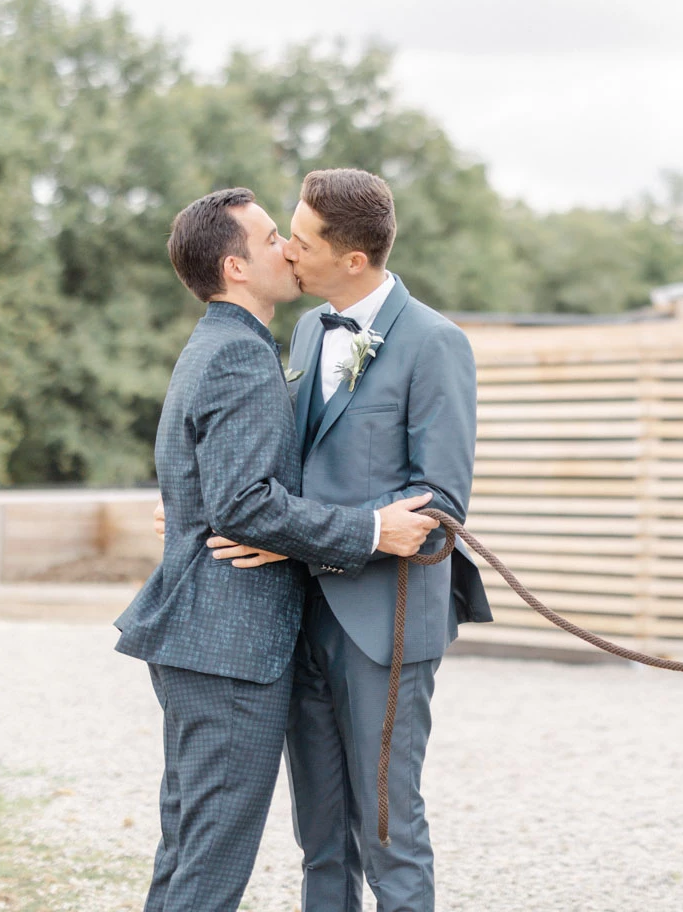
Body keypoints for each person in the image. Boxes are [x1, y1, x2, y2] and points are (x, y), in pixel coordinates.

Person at [115, 187, 441, 912]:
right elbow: (243, 503)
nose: (287, 250)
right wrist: (369, 530)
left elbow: (230, 481)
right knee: (209, 864)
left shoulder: (222, 342)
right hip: (228, 644)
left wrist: (211, 511)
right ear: (235, 267)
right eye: (271, 239)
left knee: (189, 849)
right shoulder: (240, 352)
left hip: (212, 639)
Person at [209, 167, 489, 912]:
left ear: (353, 258)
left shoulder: (436, 343)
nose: (286, 251)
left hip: (385, 622)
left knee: (390, 832)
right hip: (298, 616)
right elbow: (284, 460)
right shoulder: (307, 329)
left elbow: (440, 504)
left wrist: (305, 540)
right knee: (321, 836)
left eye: (301, 242)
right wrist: (201, 504)